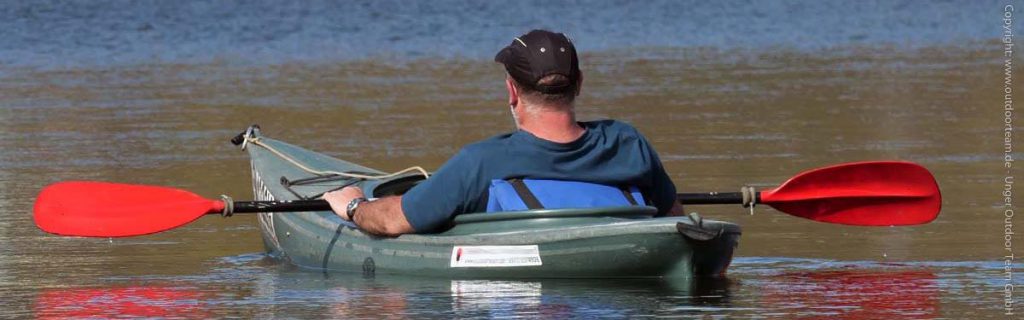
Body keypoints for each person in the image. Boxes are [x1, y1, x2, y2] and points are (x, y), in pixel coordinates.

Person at [324, 29, 684, 236]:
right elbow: (676, 222)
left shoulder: (482, 162)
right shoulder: (627, 142)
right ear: (580, 83)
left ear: (512, 91)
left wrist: (355, 205)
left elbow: (392, 219)